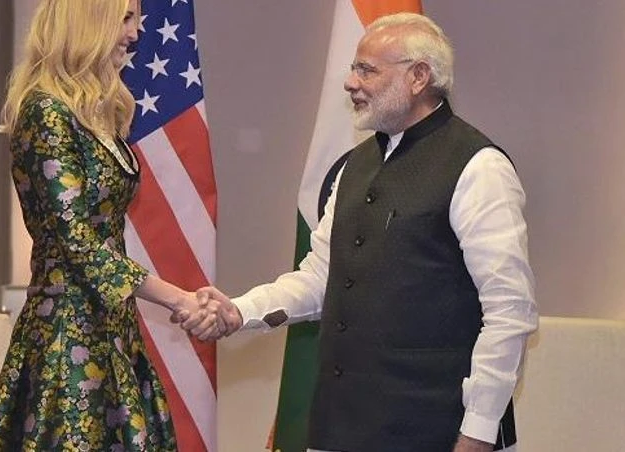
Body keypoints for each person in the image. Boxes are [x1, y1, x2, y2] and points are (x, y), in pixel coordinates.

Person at [179, 12, 538, 452]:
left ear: (418, 77)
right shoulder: (353, 165)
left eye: (367, 70)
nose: (351, 83)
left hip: (436, 431)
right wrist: (239, 311)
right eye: (353, 68)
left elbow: (509, 310)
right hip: (340, 425)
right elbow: (320, 279)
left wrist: (479, 430)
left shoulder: (479, 167)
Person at [0, 1, 221, 450]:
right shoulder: (46, 111)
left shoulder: (95, 111)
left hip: (111, 326)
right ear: (87, 19)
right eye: (126, 18)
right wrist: (178, 298)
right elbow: (77, 242)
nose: (136, 33)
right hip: (68, 336)